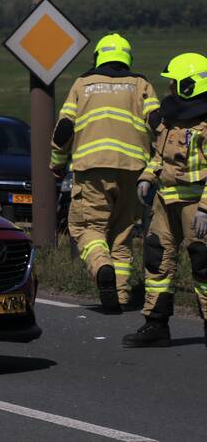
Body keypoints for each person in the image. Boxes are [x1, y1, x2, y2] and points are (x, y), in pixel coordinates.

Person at [50, 33, 159, 313]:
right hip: (133, 170)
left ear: (98, 57)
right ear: (127, 58)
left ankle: (101, 266)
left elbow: (63, 130)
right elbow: (158, 124)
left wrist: (57, 164)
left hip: (92, 169)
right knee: (122, 234)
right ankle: (120, 296)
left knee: (87, 228)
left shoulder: (82, 85)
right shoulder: (141, 84)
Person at [123, 53, 207, 348]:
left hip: (197, 206)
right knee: (157, 259)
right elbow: (159, 156)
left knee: (203, 264)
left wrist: (205, 209)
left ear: (190, 85)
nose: (169, 89)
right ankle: (156, 324)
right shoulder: (169, 120)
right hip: (165, 202)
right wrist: (147, 177)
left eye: (174, 83)